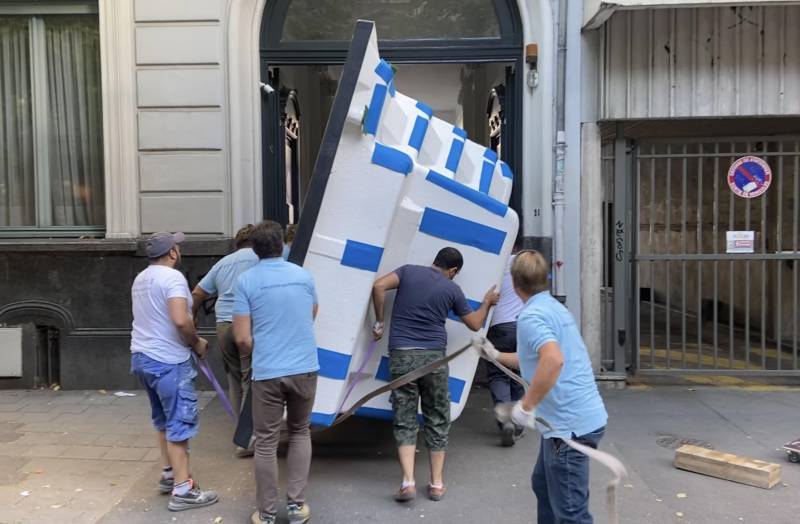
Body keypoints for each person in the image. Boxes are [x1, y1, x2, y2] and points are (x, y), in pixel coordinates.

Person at [475, 250, 607, 524]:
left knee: (571, 514)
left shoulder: (531, 316)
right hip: (569, 421)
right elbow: (533, 358)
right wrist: (495, 355)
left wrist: (526, 406)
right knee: (543, 486)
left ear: (514, 284)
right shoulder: (552, 307)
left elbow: (553, 359)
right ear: (545, 279)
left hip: (569, 427)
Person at [371, 247, 499, 502]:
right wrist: (486, 303)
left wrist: (380, 321)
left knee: (405, 418)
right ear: (453, 270)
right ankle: (437, 484)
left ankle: (407, 482)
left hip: (402, 356)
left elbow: (378, 286)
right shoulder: (452, 289)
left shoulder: (407, 272)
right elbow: (475, 324)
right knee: (437, 417)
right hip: (434, 359)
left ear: (435, 261)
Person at [233, 220, 319, 524]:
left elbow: (242, 338)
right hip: (305, 366)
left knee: (266, 441)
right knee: (300, 431)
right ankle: (297, 507)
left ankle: (267, 513)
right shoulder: (304, 275)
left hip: (268, 370)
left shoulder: (246, 281)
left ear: (254, 250)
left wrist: (264, 346)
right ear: (282, 244)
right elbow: (311, 313)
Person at [129, 232, 218, 512]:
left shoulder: (141, 279)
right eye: (177, 246)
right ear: (171, 252)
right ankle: (183, 490)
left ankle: (169, 474)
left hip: (142, 356)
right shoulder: (173, 278)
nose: (179, 250)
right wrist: (197, 342)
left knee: (162, 420)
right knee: (179, 421)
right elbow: (180, 320)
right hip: (168, 360)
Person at [191, 224, 258, 458]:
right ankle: (247, 440)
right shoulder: (262, 259)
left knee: (234, 380)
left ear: (236, 244)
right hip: (247, 324)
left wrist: (193, 318)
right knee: (251, 380)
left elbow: (197, 293)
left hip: (223, 325)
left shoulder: (223, 263)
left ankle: (240, 433)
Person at [485, 237, 525, 447]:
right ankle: (517, 422)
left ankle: (506, 421)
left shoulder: (493, 264)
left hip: (499, 326)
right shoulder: (524, 263)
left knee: (498, 374)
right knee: (518, 374)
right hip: (523, 326)